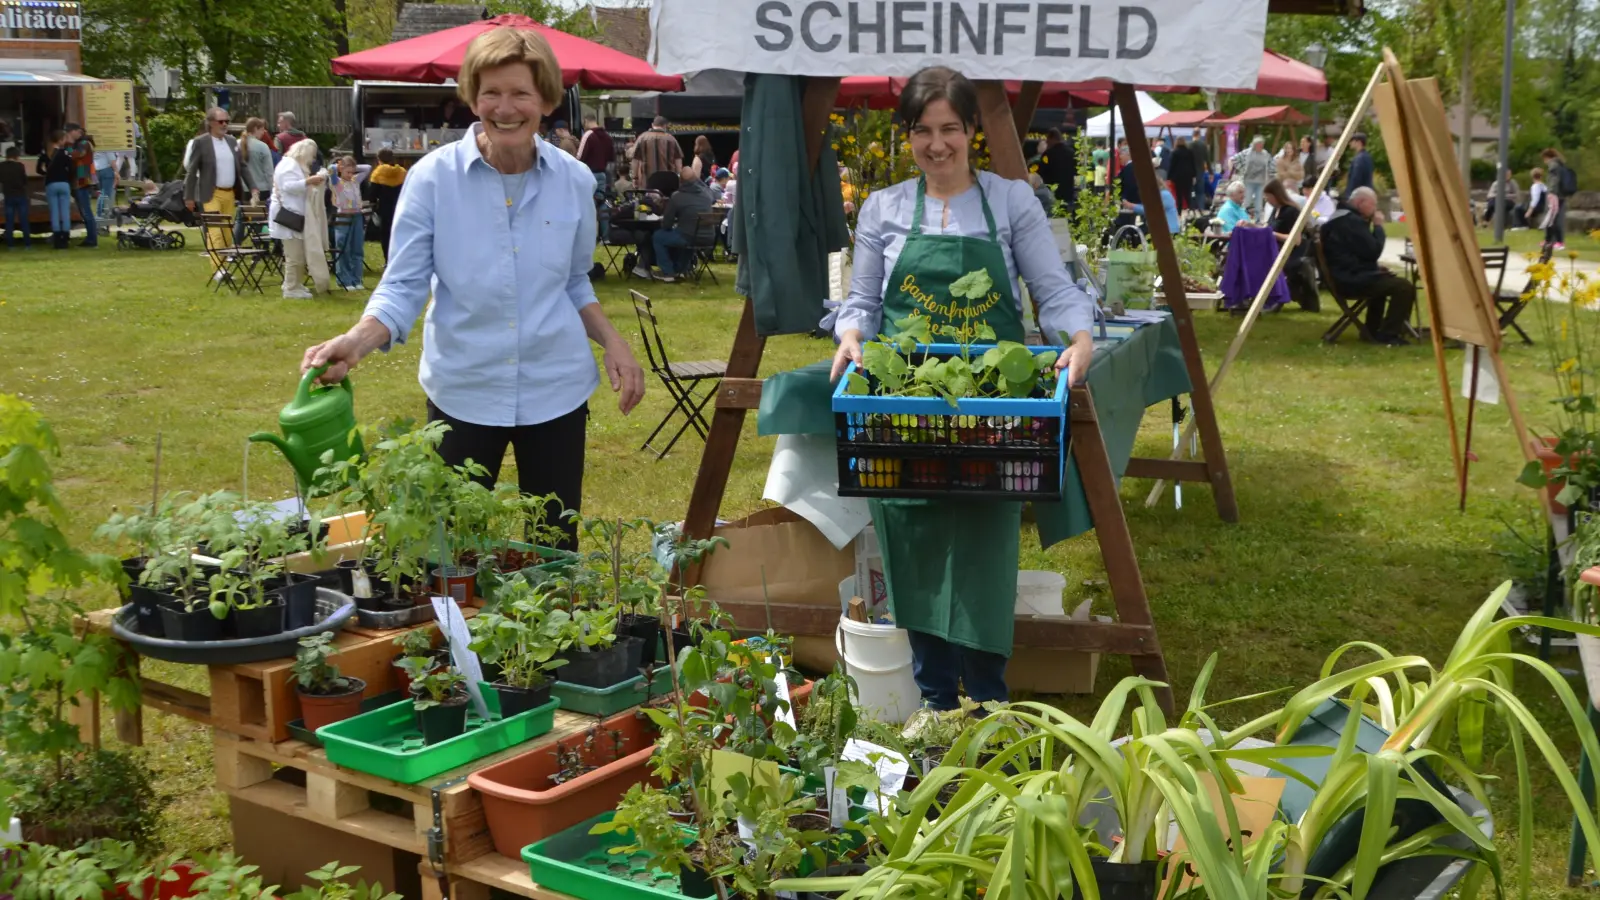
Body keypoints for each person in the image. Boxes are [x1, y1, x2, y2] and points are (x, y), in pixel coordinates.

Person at [300, 25, 644, 549]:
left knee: (553, 547)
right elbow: (404, 284)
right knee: (451, 552)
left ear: (546, 100)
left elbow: (575, 281)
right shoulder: (433, 179)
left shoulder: (574, 181)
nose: (505, 108)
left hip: (556, 389)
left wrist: (613, 341)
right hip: (463, 389)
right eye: (490, 93)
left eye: (520, 93)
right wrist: (357, 341)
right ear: (472, 97)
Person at [829, 66, 1094, 714]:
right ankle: (937, 702)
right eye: (922, 131)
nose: (937, 144)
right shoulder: (885, 209)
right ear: (907, 135)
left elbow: (1053, 290)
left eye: (950, 128)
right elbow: (862, 302)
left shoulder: (1010, 201)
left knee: (984, 543)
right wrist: (852, 335)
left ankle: (990, 702)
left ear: (972, 129)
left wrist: (1080, 337)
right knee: (913, 540)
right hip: (906, 407)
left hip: (991, 407)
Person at [1320, 186, 1413, 345]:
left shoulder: (1340, 216)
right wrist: (1378, 227)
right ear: (1360, 202)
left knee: (1382, 281)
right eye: (1373, 204)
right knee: (1404, 287)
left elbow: (1356, 252)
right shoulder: (1351, 221)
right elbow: (1373, 251)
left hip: (1343, 275)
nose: (1375, 209)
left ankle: (1371, 330)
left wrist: (1374, 269)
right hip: (1350, 280)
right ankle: (1389, 334)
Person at [184, 107, 244, 270]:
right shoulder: (201, 142)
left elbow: (242, 167)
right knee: (215, 231)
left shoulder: (232, 141)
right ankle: (218, 269)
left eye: (227, 121)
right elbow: (191, 171)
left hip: (229, 193)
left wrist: (253, 188)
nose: (224, 124)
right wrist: (189, 196)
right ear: (211, 123)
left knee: (227, 234)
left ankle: (222, 265)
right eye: (220, 121)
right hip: (211, 193)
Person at [269, 138, 330, 299]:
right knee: (294, 256)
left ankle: (294, 283)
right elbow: (288, 187)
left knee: (298, 254)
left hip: (295, 215)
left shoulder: (293, 164)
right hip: (289, 216)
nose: (312, 160)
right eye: (312, 156)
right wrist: (308, 181)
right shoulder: (289, 164)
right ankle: (291, 288)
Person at [650, 164, 713, 283]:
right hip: (709, 237)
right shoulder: (707, 195)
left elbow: (667, 224)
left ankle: (668, 272)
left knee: (658, 236)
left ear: (680, 181)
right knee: (685, 234)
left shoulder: (677, 197)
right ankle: (681, 269)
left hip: (689, 237)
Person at [1263, 179, 1318, 311]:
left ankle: (1274, 297)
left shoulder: (1290, 211)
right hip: (1276, 251)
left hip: (1292, 253)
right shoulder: (1275, 210)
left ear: (1275, 195)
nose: (1266, 200)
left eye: (1268, 196)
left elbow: (1296, 240)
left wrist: (1272, 234)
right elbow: (1267, 228)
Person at [330, 155, 373, 291]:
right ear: (341, 170)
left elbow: (368, 168)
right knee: (344, 247)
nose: (350, 175)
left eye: (352, 172)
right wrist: (339, 166)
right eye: (347, 172)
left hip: (357, 216)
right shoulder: (337, 182)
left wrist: (353, 167)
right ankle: (344, 279)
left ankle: (357, 278)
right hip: (343, 216)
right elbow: (330, 169)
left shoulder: (355, 180)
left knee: (357, 247)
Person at [234, 117, 277, 244]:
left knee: (241, 218)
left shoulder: (236, 145)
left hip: (242, 188)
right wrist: (273, 190)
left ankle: (236, 245)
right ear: (255, 129)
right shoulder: (262, 147)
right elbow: (269, 172)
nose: (263, 133)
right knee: (259, 219)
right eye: (262, 130)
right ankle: (259, 246)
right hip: (260, 188)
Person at [368, 148, 406, 262]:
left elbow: (372, 194)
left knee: (386, 235)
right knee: (399, 233)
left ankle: (388, 260)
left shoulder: (377, 173)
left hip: (384, 208)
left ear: (379, 159)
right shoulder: (402, 172)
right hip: (400, 207)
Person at [37, 130, 73, 249]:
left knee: (54, 212)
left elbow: (38, 169)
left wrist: (47, 174)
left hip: (51, 184)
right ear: (61, 140)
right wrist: (67, 178)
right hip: (64, 183)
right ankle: (65, 239)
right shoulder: (66, 153)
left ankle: (57, 240)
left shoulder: (45, 152)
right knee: (65, 212)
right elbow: (72, 168)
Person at [66, 126, 97, 247]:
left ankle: (92, 240)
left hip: (82, 180)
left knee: (86, 211)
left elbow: (76, 155)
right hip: (82, 180)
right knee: (85, 211)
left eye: (70, 133)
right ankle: (91, 238)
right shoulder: (83, 143)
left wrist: (68, 144)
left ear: (78, 132)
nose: (69, 135)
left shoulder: (84, 143)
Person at [1231, 136, 1274, 220]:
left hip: (1261, 181)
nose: (1261, 146)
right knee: (1246, 201)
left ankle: (1257, 220)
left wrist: (1270, 177)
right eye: (1259, 145)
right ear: (1255, 145)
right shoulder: (1247, 152)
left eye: (1262, 145)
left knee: (1258, 203)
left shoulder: (1265, 154)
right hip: (1248, 181)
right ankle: (1242, 218)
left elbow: (1271, 165)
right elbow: (1234, 159)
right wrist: (1242, 169)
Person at [1036, 127, 1077, 212]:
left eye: (1048, 139)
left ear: (1052, 138)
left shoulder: (1047, 154)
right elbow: (1076, 171)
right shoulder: (1071, 153)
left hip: (1052, 195)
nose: (1047, 142)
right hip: (1068, 193)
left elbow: (1040, 173)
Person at [634, 116, 684, 183]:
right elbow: (678, 160)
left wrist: (635, 178)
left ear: (652, 125)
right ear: (665, 126)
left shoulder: (642, 138)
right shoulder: (671, 139)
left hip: (647, 181)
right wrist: (679, 176)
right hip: (667, 181)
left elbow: (635, 160)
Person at [1542, 148, 1573, 249]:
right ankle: (1549, 240)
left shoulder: (1553, 165)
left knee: (1553, 218)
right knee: (1553, 218)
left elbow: (1554, 180)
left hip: (1555, 195)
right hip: (1561, 194)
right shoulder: (1560, 164)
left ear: (1547, 157)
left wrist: (1551, 191)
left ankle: (1557, 241)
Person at [1, 146, 29, 248]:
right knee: (24, 220)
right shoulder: (20, 166)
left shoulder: (1, 166)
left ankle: (10, 245)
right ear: (16, 156)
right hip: (21, 195)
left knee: (9, 221)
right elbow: (24, 181)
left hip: (8, 195)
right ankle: (27, 244)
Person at [575, 116, 614, 189]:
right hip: (602, 174)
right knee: (600, 195)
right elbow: (611, 158)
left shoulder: (588, 135)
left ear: (586, 121)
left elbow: (579, 157)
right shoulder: (607, 136)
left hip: (589, 174)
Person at [1167, 137, 1196, 212]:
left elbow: (1172, 165)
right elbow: (1193, 164)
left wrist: (1169, 177)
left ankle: (1179, 211)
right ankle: (1191, 209)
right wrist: (1194, 175)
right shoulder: (1189, 152)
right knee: (1188, 194)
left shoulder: (1174, 152)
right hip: (1188, 176)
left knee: (1179, 194)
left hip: (1178, 176)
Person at [1342, 133, 1374, 201]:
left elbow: (1356, 178)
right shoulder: (1367, 156)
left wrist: (1349, 195)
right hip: (1366, 193)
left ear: (1359, 142)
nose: (1350, 143)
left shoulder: (1359, 158)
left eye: (1352, 141)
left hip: (1358, 196)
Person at [92, 140, 120, 219]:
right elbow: (112, 160)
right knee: (106, 194)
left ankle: (99, 213)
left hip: (96, 170)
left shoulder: (95, 144)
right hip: (106, 169)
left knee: (102, 193)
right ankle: (101, 214)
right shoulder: (106, 144)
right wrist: (116, 172)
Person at [1190, 128, 1212, 209]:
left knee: (1192, 192)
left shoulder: (1189, 145)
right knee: (1200, 192)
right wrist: (1211, 173)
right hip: (1200, 172)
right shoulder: (1203, 145)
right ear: (1199, 135)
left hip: (1191, 173)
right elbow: (1207, 160)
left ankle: (1192, 208)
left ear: (1192, 134)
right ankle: (1201, 208)